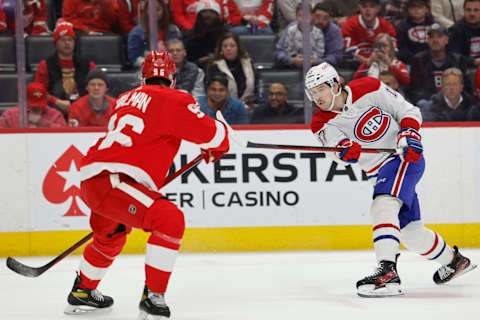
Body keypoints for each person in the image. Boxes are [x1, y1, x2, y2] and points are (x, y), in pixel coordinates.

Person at [64, 50, 230, 318]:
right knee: (169, 220)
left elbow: (153, 128)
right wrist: (222, 139)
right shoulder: (175, 98)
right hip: (116, 181)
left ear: (143, 78)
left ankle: (83, 290)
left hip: (94, 177)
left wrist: (209, 143)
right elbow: (210, 133)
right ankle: (154, 297)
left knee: (110, 236)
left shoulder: (124, 99)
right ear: (173, 79)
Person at [305, 62, 477, 297]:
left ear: (335, 84)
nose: (317, 97)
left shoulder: (369, 87)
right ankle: (455, 261)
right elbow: (336, 149)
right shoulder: (320, 122)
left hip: (404, 157)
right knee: (410, 233)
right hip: (379, 172)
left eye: (320, 89)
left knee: (382, 204)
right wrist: (344, 151)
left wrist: (409, 132)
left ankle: (387, 273)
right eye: (312, 92)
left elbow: (408, 111)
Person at [34, 22, 96, 118]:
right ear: (55, 43)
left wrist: (81, 103)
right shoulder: (45, 65)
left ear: (74, 42)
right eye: (63, 40)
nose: (67, 43)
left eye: (70, 40)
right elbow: (39, 91)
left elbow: (97, 87)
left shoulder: (87, 64)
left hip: (84, 108)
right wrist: (58, 102)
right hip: (54, 109)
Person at [407, 22, 470, 106]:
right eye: (431, 37)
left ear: (446, 40)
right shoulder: (418, 60)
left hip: (453, 102)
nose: (435, 40)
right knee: (422, 103)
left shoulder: (457, 60)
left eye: (439, 36)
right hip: (428, 102)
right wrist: (434, 98)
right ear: (427, 40)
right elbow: (414, 90)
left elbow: (465, 88)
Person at [127, 0, 182, 68]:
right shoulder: (136, 33)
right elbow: (134, 58)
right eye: (151, 9)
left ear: (163, 11)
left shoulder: (174, 31)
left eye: (158, 9)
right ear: (146, 11)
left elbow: (180, 53)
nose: (154, 12)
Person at [207, 32, 255, 105]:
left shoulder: (248, 63)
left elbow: (257, 86)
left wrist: (249, 101)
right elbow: (212, 92)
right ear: (221, 49)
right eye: (225, 46)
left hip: (248, 105)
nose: (228, 49)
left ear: (238, 48)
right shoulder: (215, 66)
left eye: (232, 46)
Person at [342, 0, 397, 65]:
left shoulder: (387, 26)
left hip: (382, 63)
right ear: (359, 7)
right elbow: (349, 52)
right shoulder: (349, 25)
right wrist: (368, 60)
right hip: (356, 64)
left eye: (372, 6)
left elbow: (393, 50)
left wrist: (371, 59)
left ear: (378, 8)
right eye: (364, 6)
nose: (368, 9)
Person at [275, 3, 325, 69]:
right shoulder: (291, 30)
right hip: (294, 65)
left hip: (314, 66)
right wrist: (294, 59)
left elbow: (320, 52)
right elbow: (288, 49)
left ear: (312, 16)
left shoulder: (318, 32)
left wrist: (313, 59)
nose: (304, 18)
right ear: (296, 17)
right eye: (300, 15)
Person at [0, 82, 66, 128]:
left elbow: (65, 134)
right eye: (33, 105)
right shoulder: (10, 115)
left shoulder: (55, 115)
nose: (37, 108)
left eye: (40, 105)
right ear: (25, 101)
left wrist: (43, 122)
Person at [184, 0, 228, 68]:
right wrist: (199, 61)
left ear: (217, 15)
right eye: (204, 12)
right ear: (199, 15)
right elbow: (186, 61)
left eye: (212, 12)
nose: (208, 15)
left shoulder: (226, 35)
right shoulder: (189, 36)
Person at [395, 0, 434, 64]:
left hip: (431, 61)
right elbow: (402, 50)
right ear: (408, 10)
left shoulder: (434, 26)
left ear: (426, 9)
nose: (416, 10)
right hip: (409, 63)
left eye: (419, 7)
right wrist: (415, 60)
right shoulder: (401, 27)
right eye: (413, 7)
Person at [448, 0, 480, 67]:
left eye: (476, 10)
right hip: (464, 69)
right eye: (468, 10)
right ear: (464, 11)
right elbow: (453, 55)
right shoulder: (455, 30)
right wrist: (473, 61)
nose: (472, 13)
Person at [312, 2, 344, 67]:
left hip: (325, 67)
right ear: (312, 16)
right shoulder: (297, 26)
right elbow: (285, 52)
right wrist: (292, 60)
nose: (320, 21)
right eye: (318, 16)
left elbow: (336, 57)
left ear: (330, 19)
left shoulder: (334, 31)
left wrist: (317, 62)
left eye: (325, 18)